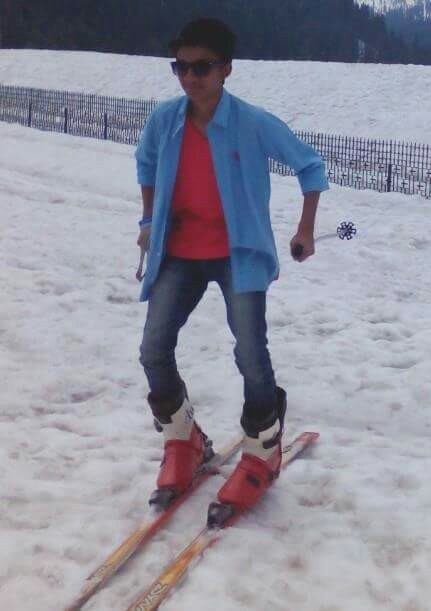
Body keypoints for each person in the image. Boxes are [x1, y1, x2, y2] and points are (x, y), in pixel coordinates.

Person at [134, 17, 329, 512]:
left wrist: (305, 229)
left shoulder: (252, 122)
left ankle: (263, 451)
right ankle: (183, 440)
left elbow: (310, 166)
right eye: (181, 67)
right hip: (180, 252)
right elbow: (146, 164)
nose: (190, 77)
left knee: (250, 353)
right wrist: (148, 219)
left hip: (237, 255)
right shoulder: (165, 120)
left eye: (202, 67)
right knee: (153, 348)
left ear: (226, 69)